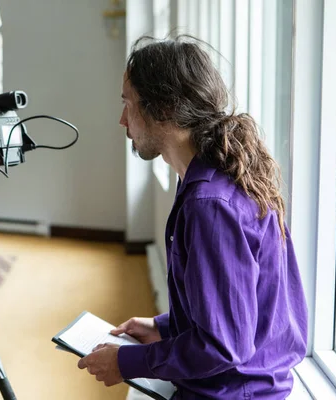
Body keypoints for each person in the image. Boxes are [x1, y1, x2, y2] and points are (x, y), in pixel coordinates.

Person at [77, 35, 308, 399]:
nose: (122, 119)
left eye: (128, 103)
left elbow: (222, 346)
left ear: (163, 109)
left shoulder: (209, 205)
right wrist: (165, 327)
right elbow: (237, 313)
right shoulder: (216, 179)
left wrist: (127, 363)